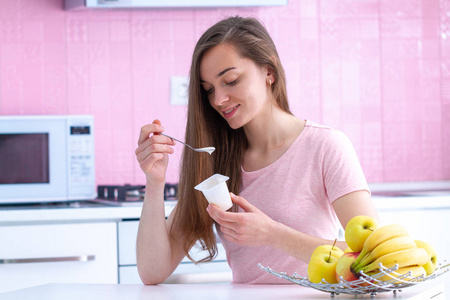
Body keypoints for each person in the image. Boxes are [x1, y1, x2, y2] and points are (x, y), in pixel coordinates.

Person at [135, 16, 378, 285]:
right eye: (208, 90)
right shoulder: (214, 163)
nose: (218, 100)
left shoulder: (326, 147)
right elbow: (151, 271)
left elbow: (375, 256)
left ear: (268, 72)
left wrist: (273, 234)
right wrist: (154, 182)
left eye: (231, 80)